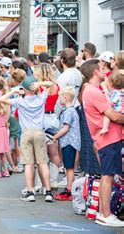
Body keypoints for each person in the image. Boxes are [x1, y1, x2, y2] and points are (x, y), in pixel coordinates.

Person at [81, 59, 124, 227]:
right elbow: (113, 115)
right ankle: (105, 214)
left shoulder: (92, 90)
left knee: (108, 175)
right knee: (108, 176)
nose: (104, 70)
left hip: (105, 137)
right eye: (101, 68)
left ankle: (103, 213)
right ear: (95, 72)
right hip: (108, 138)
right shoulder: (93, 91)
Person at [0, 76, 54, 203]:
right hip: (39, 132)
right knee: (43, 162)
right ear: (35, 88)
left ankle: (30, 191)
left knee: (28, 164)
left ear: (23, 88)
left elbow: (1, 99)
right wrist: (39, 83)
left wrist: (14, 92)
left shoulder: (19, 101)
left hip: (26, 133)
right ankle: (49, 192)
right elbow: (51, 83)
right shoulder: (41, 98)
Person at [52, 86, 81, 201]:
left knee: (69, 168)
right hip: (69, 143)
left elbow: (65, 128)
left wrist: (54, 137)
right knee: (69, 167)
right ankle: (70, 189)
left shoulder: (69, 112)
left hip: (69, 142)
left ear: (66, 98)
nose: (59, 99)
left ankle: (69, 191)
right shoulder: (70, 111)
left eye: (60, 97)